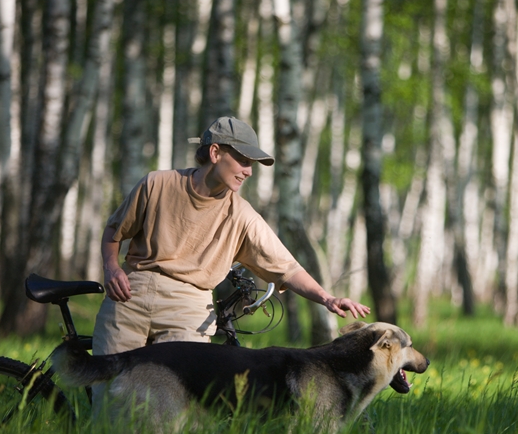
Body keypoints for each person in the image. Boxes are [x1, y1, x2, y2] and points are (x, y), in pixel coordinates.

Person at [92, 116, 370, 362]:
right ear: (215, 153)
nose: (249, 171)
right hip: (130, 295)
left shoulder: (242, 216)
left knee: (171, 409)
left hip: (188, 309)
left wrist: (328, 298)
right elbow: (113, 233)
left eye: (252, 164)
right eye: (244, 161)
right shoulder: (156, 184)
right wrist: (112, 268)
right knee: (110, 396)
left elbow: (287, 268)